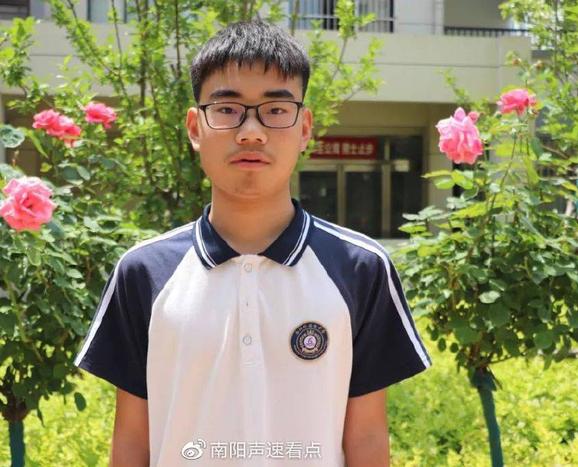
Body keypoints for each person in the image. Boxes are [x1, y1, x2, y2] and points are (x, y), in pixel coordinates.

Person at [73, 19, 432, 467]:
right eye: (227, 109)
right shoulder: (143, 271)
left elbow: (367, 437)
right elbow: (131, 441)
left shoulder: (360, 267)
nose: (251, 132)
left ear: (305, 128)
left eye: (276, 110)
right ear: (195, 127)